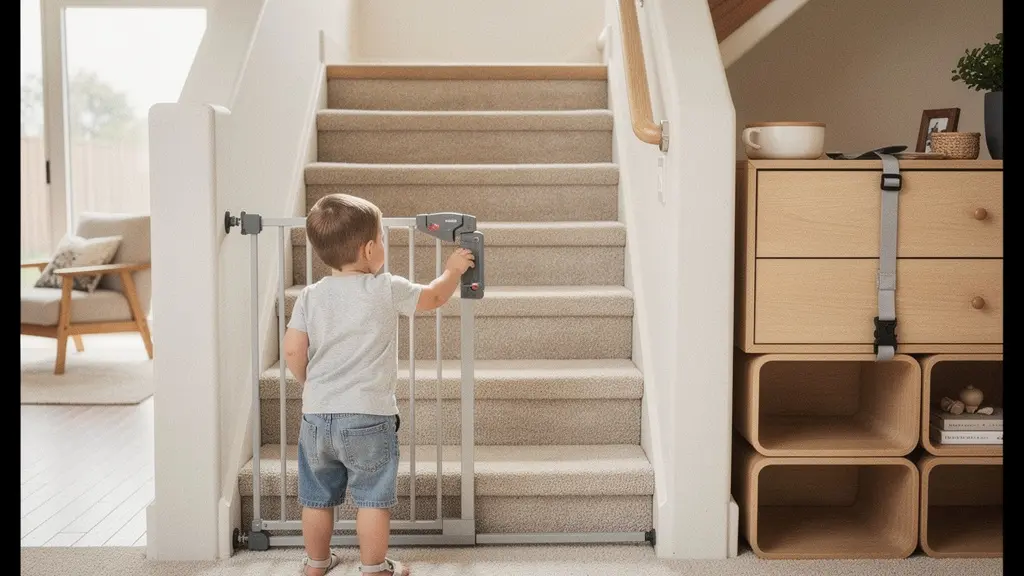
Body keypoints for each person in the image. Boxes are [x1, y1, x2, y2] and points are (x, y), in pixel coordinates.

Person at [283, 193, 475, 576]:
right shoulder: (385, 288)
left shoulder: (310, 296)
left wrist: (310, 383)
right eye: (383, 240)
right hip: (369, 415)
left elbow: (292, 351)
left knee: (317, 497)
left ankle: (316, 563)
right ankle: (373, 568)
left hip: (317, 415)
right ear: (369, 249)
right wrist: (454, 269)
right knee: (372, 498)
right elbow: (435, 296)